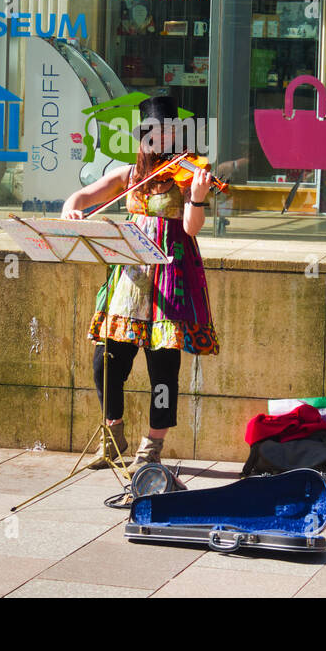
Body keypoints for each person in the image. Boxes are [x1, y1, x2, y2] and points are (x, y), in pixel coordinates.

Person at [61, 95, 219, 473]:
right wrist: (73, 204)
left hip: (170, 278)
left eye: (167, 131)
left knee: (162, 370)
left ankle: (152, 447)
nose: (160, 138)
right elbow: (85, 194)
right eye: (153, 132)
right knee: (106, 361)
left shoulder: (188, 175)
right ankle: (113, 433)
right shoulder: (131, 174)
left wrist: (196, 198)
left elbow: (192, 229)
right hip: (131, 279)